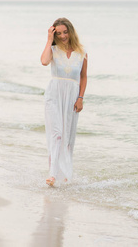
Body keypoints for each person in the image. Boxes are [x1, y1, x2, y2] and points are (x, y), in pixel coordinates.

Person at [40, 17, 88, 186]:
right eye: (58, 33)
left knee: (67, 137)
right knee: (57, 132)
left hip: (72, 97)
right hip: (54, 94)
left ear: (70, 31)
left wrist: (80, 98)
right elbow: (44, 62)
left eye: (65, 32)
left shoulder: (82, 53)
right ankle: (52, 173)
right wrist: (48, 40)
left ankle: (66, 173)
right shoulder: (52, 50)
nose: (62, 36)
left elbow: (83, 77)